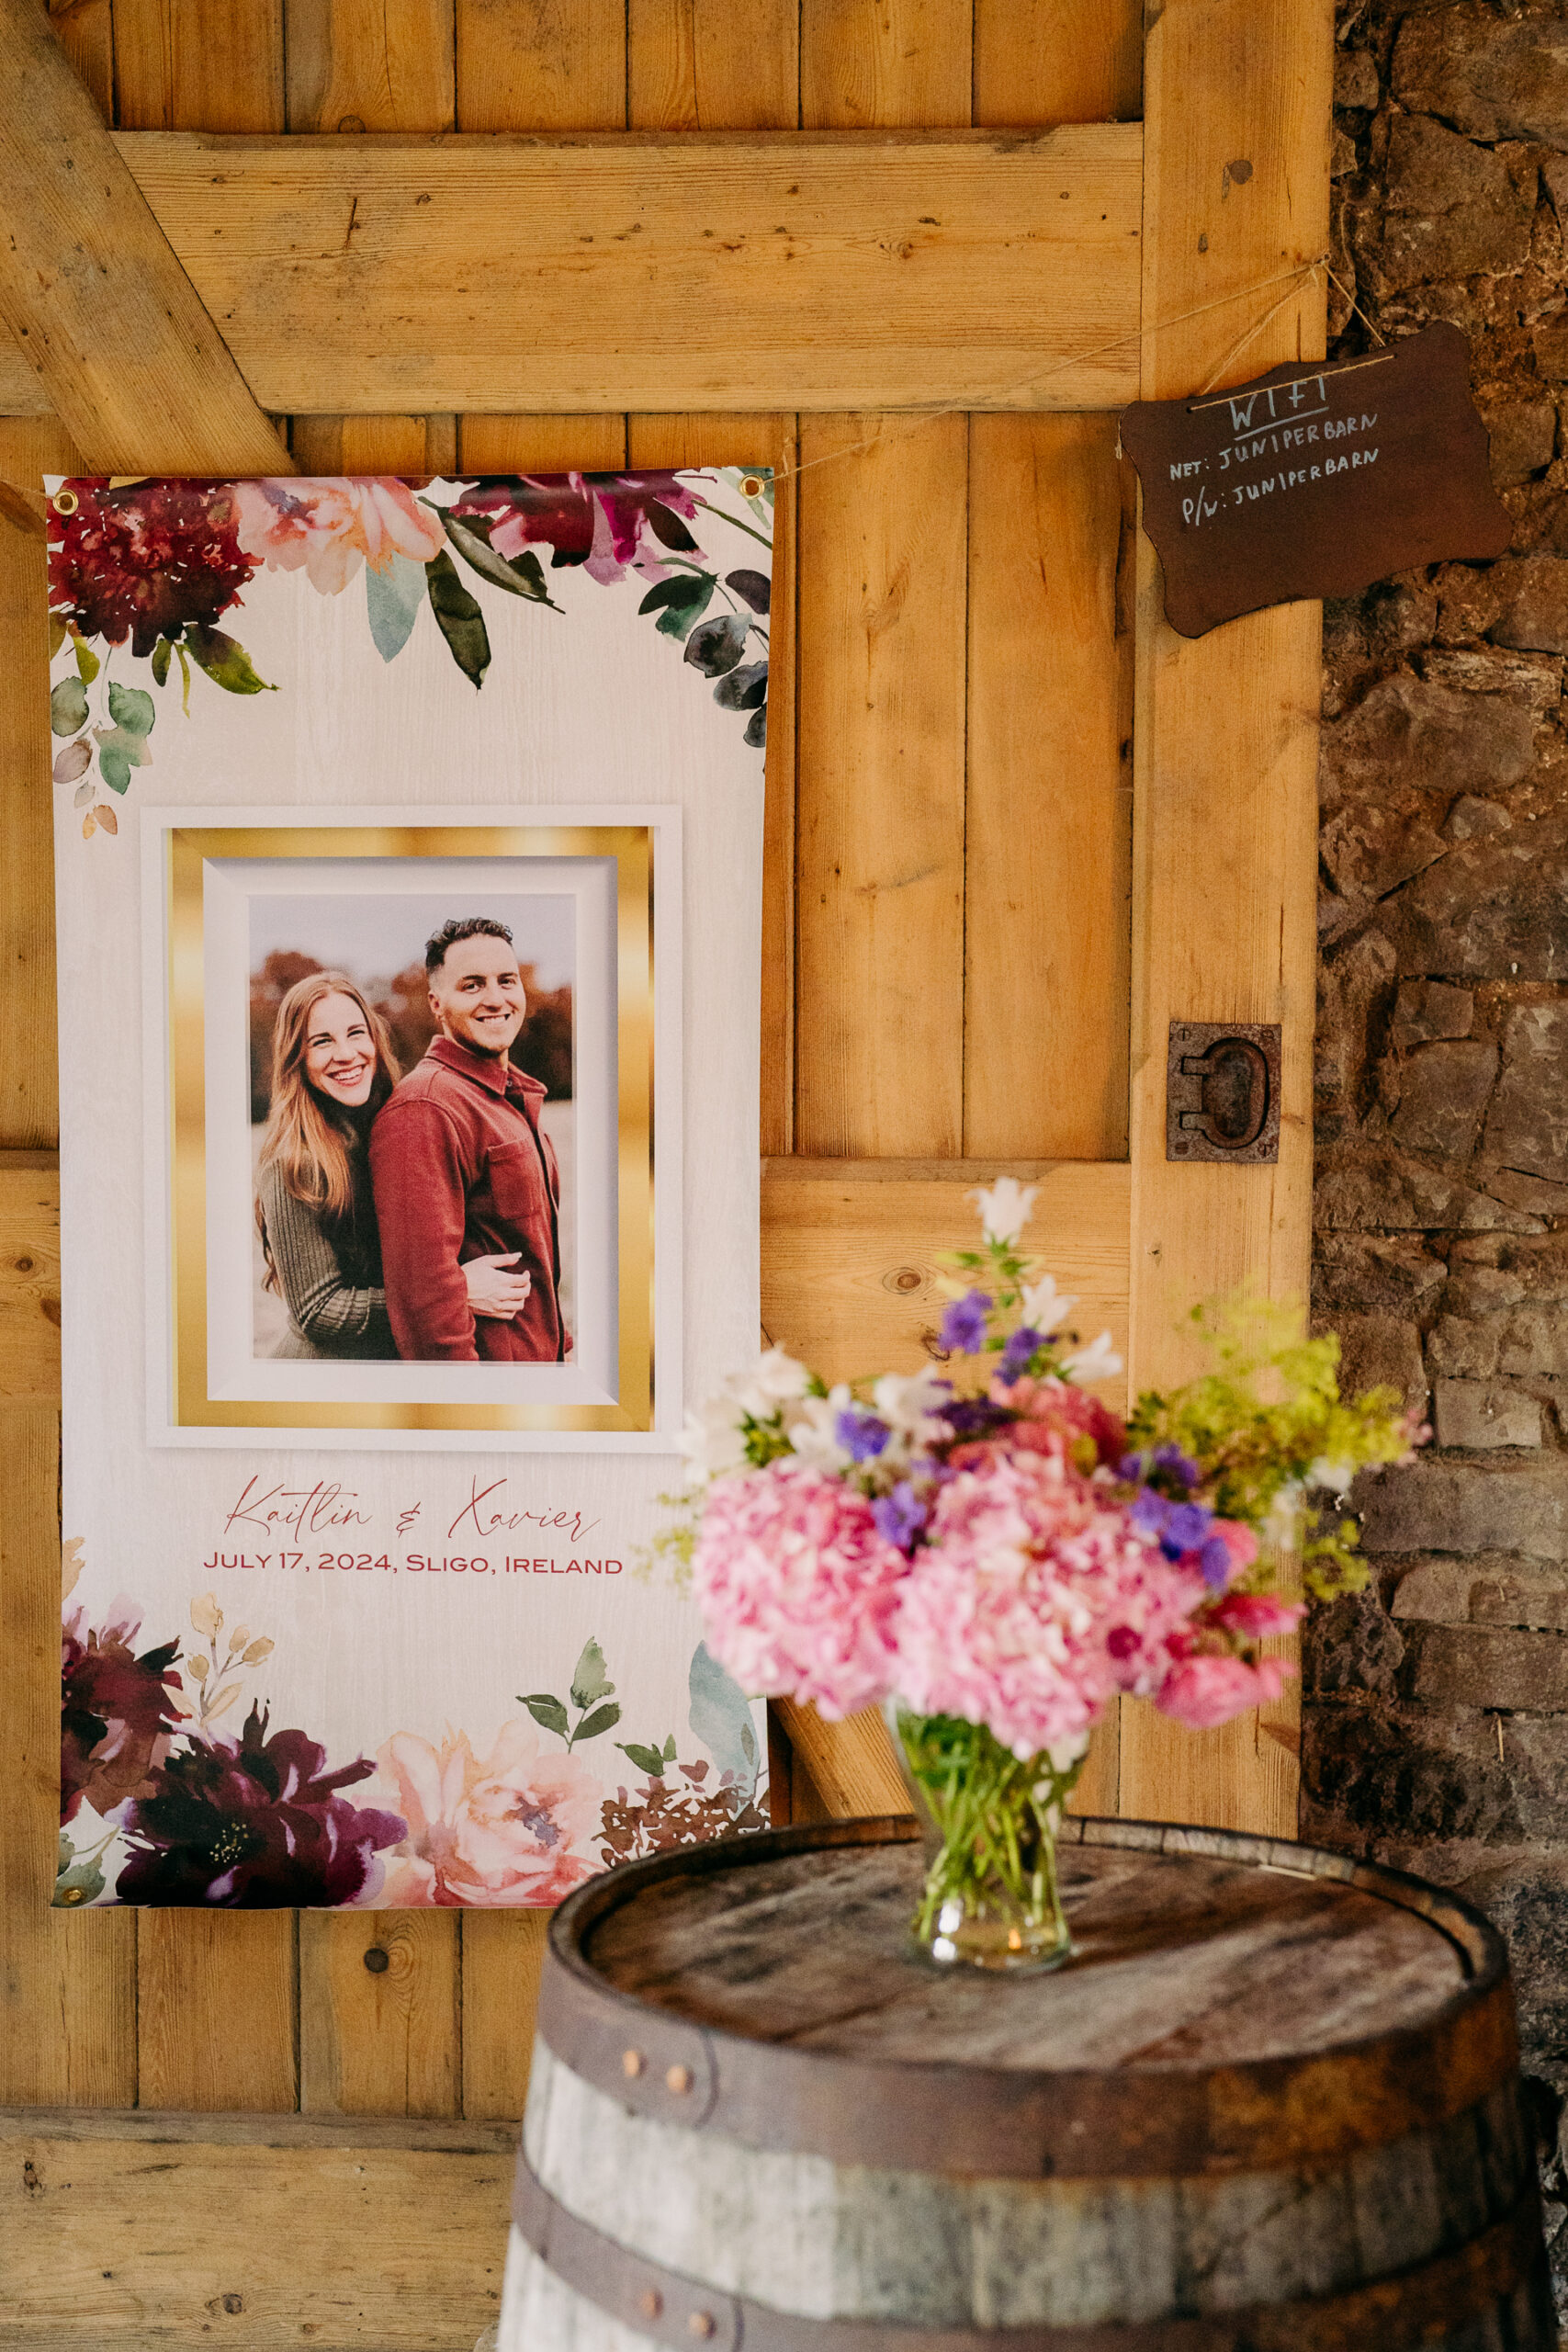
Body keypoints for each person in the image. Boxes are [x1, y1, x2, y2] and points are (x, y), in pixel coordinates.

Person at [255, 969, 531, 1360]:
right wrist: (452, 1294)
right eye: (322, 1042)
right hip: (322, 1386)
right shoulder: (293, 1163)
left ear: (375, 1038)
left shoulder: (401, 1122)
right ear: (297, 1059)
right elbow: (317, 1312)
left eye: (356, 1033)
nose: (346, 1054)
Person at [370, 919, 567, 1363]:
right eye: (473, 985)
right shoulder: (425, 1108)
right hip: (490, 1395)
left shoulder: (510, 1096)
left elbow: (533, 1254)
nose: (495, 999)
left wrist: (563, 1350)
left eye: (506, 981)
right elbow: (424, 1307)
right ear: (437, 1004)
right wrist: (467, 1412)